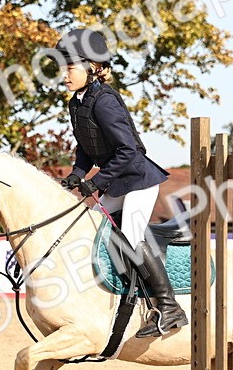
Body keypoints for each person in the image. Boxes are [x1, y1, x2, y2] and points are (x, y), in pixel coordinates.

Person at [54, 28, 186, 337]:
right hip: (117, 182)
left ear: (93, 67)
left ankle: (170, 309)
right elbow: (86, 147)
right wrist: (77, 173)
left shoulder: (105, 101)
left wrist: (97, 180)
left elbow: (131, 151)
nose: (65, 74)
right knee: (95, 231)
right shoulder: (78, 101)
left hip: (138, 181)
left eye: (70, 67)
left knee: (130, 235)